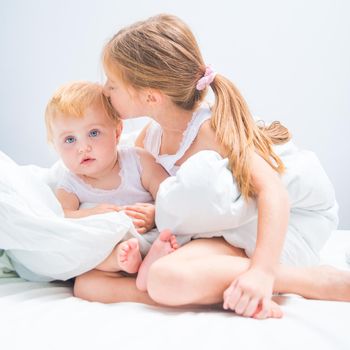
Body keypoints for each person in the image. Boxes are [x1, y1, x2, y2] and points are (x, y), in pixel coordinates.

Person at [74, 14, 350, 318]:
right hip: (210, 231)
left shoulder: (211, 131)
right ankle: (162, 286)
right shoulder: (150, 137)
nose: (105, 91)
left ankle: (310, 281)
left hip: (260, 226)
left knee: (166, 278)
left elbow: (274, 192)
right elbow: (151, 195)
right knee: (87, 284)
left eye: (113, 85)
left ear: (150, 96)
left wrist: (262, 272)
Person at [45, 81, 178, 278]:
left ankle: (151, 260)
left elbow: (172, 197)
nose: (83, 148)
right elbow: (62, 217)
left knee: (167, 238)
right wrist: (92, 213)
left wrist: (155, 213)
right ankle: (120, 260)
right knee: (86, 278)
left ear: (116, 132)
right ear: (55, 146)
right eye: (70, 140)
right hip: (107, 254)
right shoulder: (70, 183)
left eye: (94, 133)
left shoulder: (139, 161)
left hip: (146, 238)